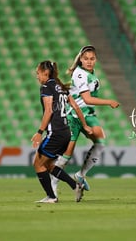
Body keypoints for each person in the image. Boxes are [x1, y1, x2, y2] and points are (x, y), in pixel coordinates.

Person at [52, 45, 120, 194]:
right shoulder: (80, 74)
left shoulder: (91, 73)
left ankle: (80, 175)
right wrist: (109, 101)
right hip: (73, 116)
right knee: (67, 154)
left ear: (95, 60)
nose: (89, 61)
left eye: (92, 58)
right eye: (86, 59)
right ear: (81, 60)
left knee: (101, 142)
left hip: (88, 115)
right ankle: (53, 189)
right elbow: (87, 99)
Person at [31, 60, 93, 203]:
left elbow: (49, 111)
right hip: (66, 132)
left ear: (46, 73)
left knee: (38, 164)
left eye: (38, 73)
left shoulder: (46, 87)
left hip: (56, 132)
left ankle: (51, 197)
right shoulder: (61, 87)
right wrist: (84, 125)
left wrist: (39, 132)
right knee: (48, 165)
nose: (37, 76)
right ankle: (75, 185)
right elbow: (77, 108)